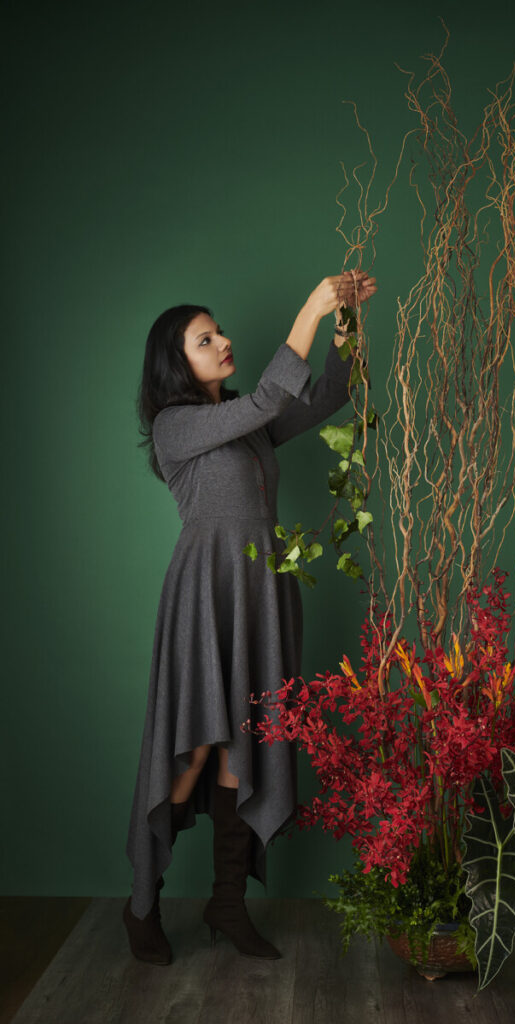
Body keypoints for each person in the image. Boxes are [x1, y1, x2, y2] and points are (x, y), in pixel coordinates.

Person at [123, 270, 378, 965]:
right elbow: (272, 393)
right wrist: (309, 304)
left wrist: (343, 322)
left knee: (250, 743)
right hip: (205, 595)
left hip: (264, 593)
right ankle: (142, 902)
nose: (224, 341)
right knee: (195, 747)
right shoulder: (177, 427)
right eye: (206, 339)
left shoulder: (251, 425)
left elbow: (330, 393)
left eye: (219, 330)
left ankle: (227, 904)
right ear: (178, 361)